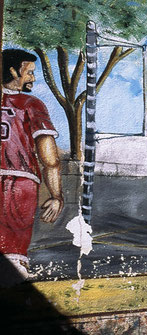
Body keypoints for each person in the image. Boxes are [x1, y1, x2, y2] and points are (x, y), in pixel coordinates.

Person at [0, 49, 64, 278]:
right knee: (14, 261)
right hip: (19, 183)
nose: (33, 78)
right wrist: (57, 195)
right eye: (29, 73)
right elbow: (50, 159)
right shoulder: (31, 104)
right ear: (12, 71)